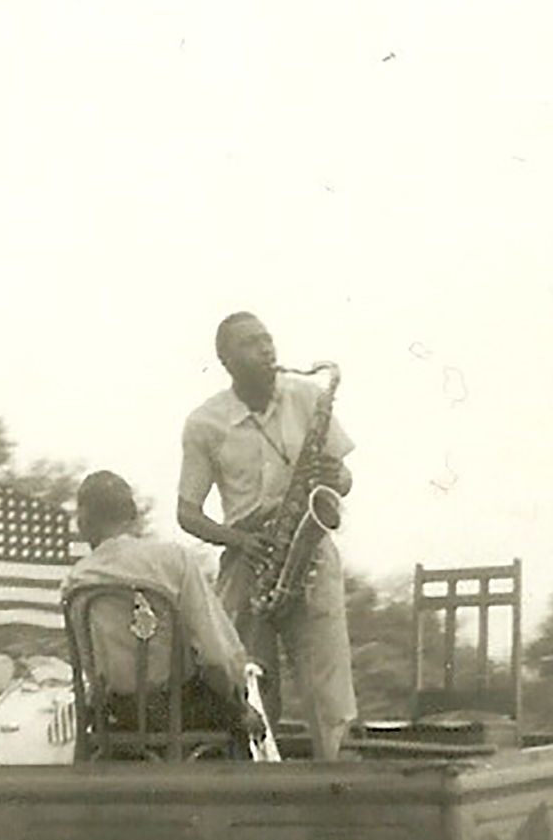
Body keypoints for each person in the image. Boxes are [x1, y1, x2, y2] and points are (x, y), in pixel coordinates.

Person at [177, 312, 357, 760]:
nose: (267, 350)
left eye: (268, 339)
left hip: (310, 550)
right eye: (251, 343)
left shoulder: (308, 398)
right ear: (225, 359)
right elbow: (186, 513)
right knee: (250, 690)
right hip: (248, 559)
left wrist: (336, 476)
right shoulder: (204, 423)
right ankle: (259, 786)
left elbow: (345, 480)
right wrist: (238, 542)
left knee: (328, 690)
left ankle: (336, 783)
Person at [63, 470, 267, 753]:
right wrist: (241, 706)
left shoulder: (76, 582)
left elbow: (92, 670)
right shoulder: (173, 560)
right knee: (238, 717)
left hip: (118, 718)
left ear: (83, 523)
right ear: (133, 514)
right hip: (181, 711)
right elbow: (217, 655)